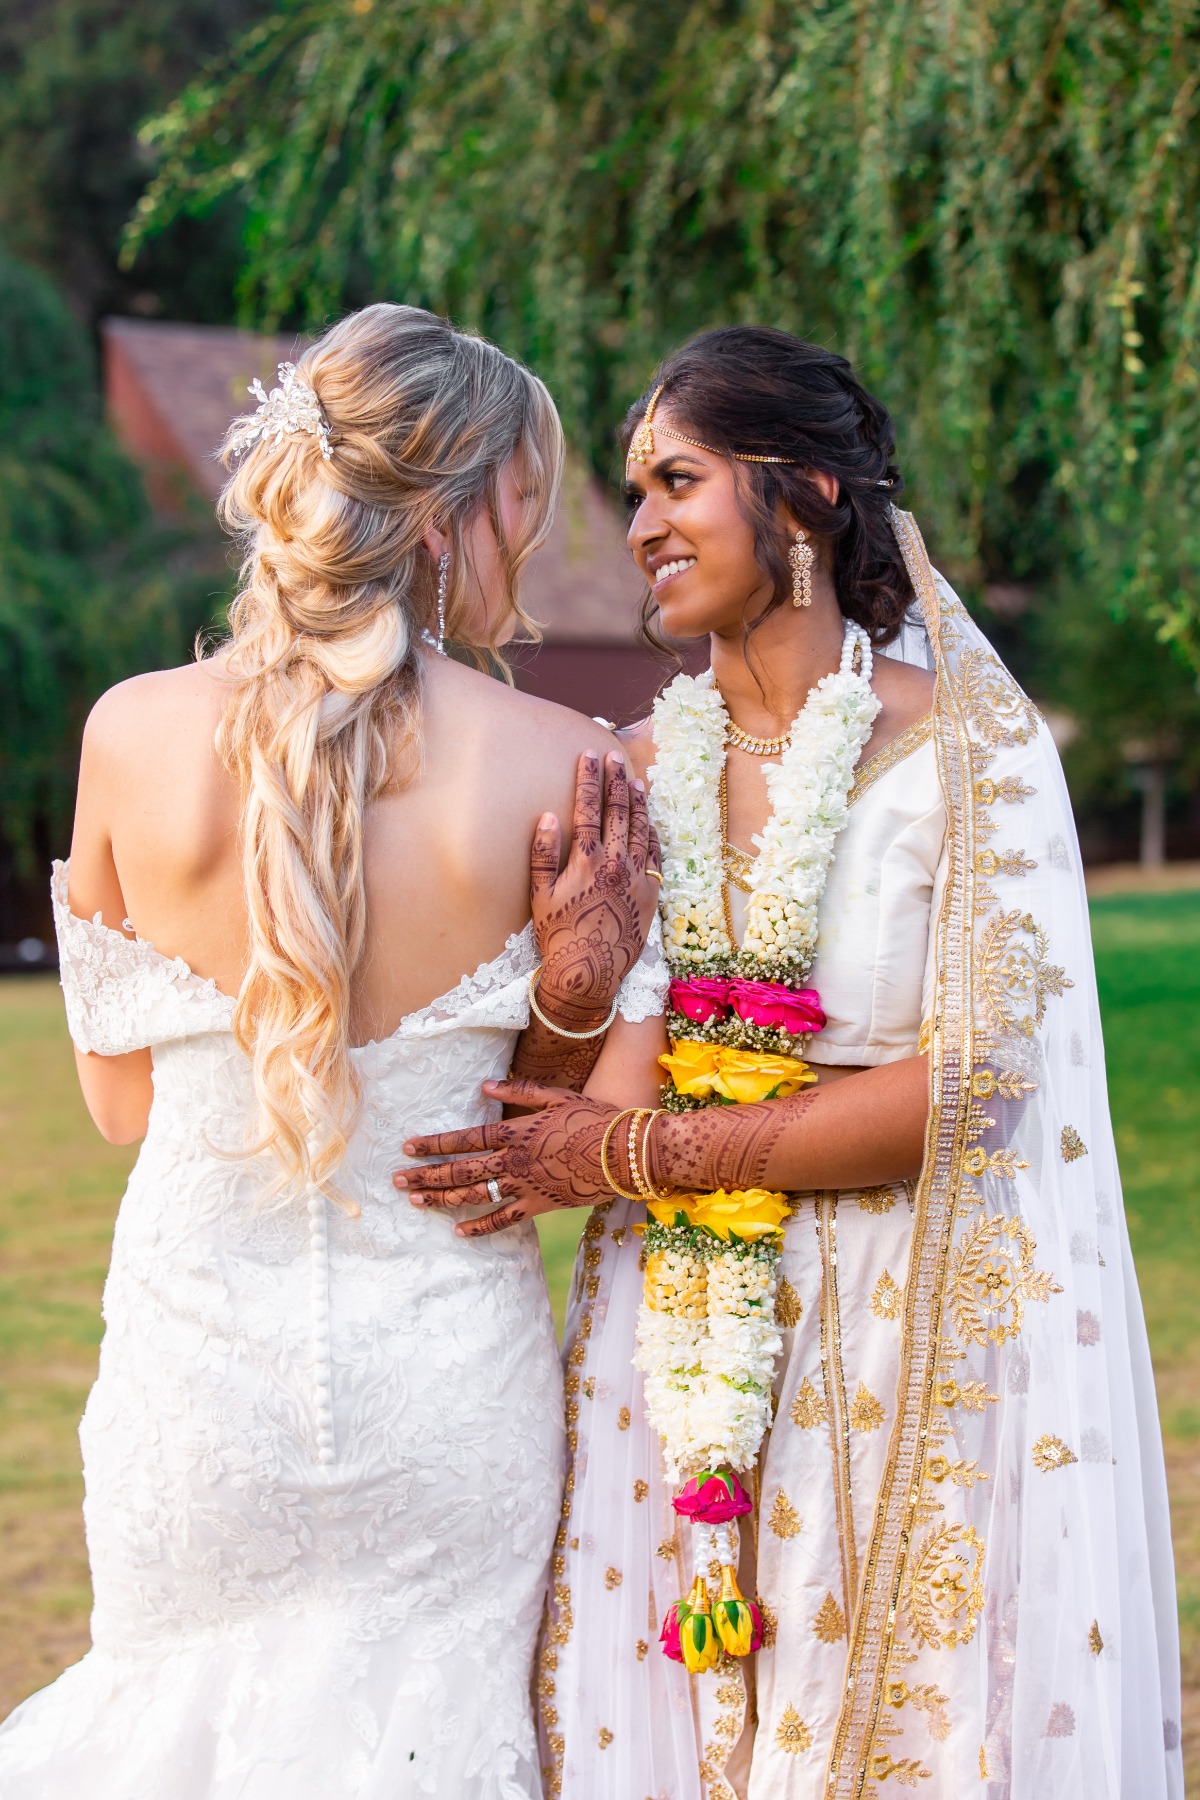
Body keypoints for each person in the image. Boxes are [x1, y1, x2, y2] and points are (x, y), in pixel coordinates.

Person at [401, 326, 1183, 1799]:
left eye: (677, 480)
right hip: (672, 1338)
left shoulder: (971, 758)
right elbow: (596, 1095)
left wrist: (638, 1158)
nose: (638, 528)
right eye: (632, 490)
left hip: (911, 1326)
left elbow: (965, 1095)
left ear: (810, 493)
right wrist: (576, 981)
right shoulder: (627, 772)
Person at [0, 303, 667, 1800]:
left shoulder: (125, 731)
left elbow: (118, 1108)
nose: (535, 538)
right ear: (453, 516)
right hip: (446, 1399)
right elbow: (598, 1125)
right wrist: (570, 993)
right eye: (523, 502)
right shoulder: (574, 761)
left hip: (194, 1384)